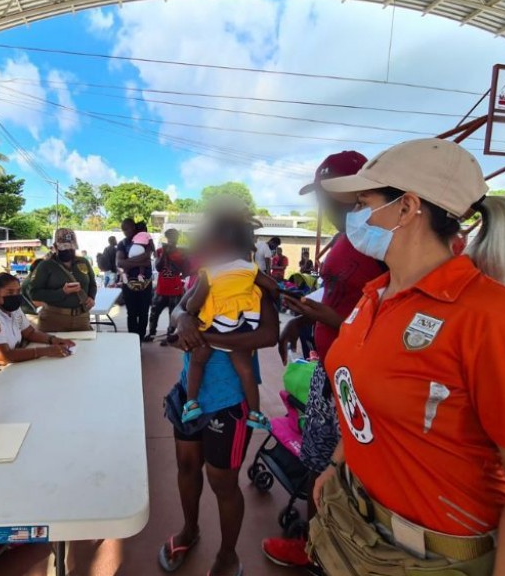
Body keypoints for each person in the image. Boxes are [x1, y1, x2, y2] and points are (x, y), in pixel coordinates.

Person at [306, 139, 505, 575]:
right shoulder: (374, 297)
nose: (353, 215)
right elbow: (361, 400)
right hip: (359, 532)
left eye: (363, 202)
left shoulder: (500, 322)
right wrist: (336, 465)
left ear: (407, 209)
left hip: (435, 559)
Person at [261, 150, 386, 568]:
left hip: (358, 376)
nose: (325, 206)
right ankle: (318, 540)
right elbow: (337, 293)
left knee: (341, 467)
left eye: (330, 196)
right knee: (320, 459)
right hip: (332, 364)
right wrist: (304, 320)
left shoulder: (381, 240)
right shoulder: (346, 237)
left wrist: (327, 318)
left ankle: (320, 549)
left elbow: (386, 315)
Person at [158, 211, 280, 576]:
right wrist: (181, 320)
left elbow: (268, 336)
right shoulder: (205, 276)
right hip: (189, 392)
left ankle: (228, 554)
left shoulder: (252, 283)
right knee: (187, 465)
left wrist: (204, 337)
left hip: (229, 401)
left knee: (223, 481)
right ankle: (190, 529)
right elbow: (184, 307)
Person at [181, 212, 279, 430]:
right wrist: (276, 298)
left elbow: (190, 304)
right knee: (246, 370)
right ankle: (255, 413)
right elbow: (273, 286)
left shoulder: (209, 272)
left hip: (227, 398)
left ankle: (191, 402)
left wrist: (190, 318)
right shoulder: (250, 271)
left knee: (198, 361)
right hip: (238, 330)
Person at [29, 228, 97, 332]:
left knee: (85, 347)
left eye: (71, 248)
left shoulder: (83, 262)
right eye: (64, 248)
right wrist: (62, 292)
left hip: (81, 318)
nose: (68, 251)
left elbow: (92, 284)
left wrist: (91, 297)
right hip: (54, 319)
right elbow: (34, 293)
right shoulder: (46, 265)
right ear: (56, 247)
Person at [145, 228, 188, 345]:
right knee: (154, 312)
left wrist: (169, 257)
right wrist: (164, 254)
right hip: (161, 289)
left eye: (173, 239)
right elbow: (158, 267)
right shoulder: (160, 251)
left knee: (173, 315)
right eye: (169, 238)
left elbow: (181, 270)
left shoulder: (181, 253)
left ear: (177, 239)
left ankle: (170, 336)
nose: (171, 241)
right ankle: (152, 333)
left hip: (175, 289)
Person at [116, 218, 155, 341]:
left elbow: (148, 257)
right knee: (131, 314)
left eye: (127, 228)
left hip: (145, 283)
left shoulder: (145, 240)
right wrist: (141, 260)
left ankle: (140, 339)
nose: (125, 232)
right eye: (123, 230)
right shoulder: (122, 243)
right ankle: (133, 340)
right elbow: (120, 263)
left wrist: (128, 262)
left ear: (134, 227)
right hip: (129, 285)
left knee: (144, 313)